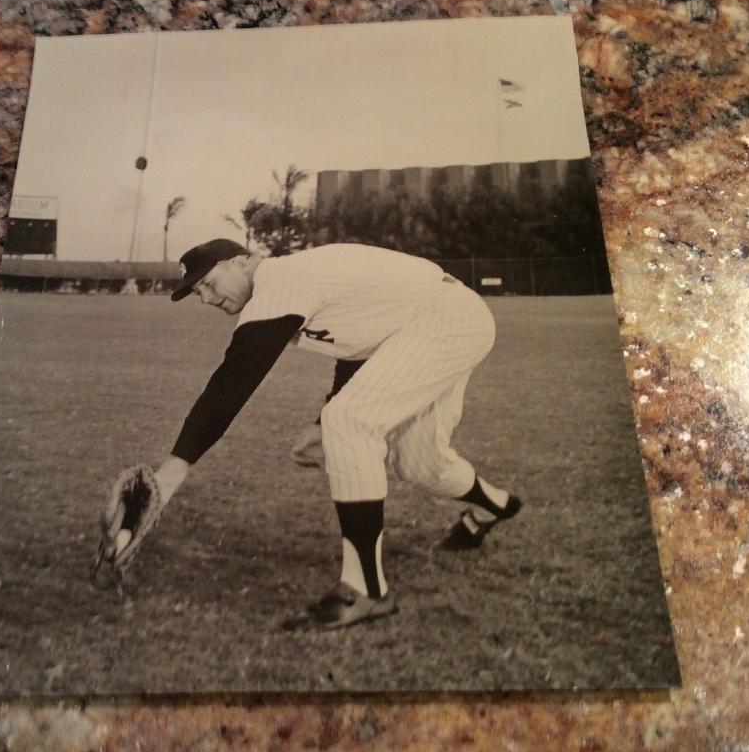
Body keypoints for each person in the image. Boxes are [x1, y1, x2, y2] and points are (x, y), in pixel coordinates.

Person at [148, 238, 521, 630]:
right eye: (197, 293)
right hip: (431, 323)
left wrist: (170, 474)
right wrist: (320, 421)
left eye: (208, 283)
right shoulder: (288, 285)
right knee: (418, 463)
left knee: (350, 421)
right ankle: (492, 506)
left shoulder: (279, 279)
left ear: (242, 261)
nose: (206, 298)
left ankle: (365, 590)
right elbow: (356, 346)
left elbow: (232, 382)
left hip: (444, 318)